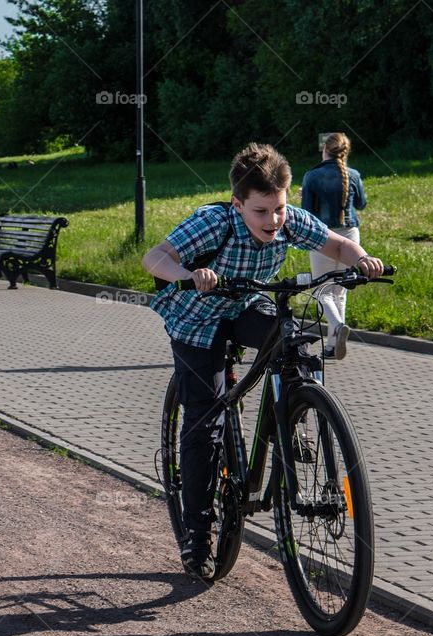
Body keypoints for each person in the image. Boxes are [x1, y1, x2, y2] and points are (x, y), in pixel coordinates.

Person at [142, 142, 384, 580]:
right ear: (238, 204)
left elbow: (334, 244)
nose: (273, 221)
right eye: (261, 212)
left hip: (245, 305)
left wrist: (362, 259)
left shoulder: (287, 221)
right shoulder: (213, 223)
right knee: (206, 418)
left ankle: (294, 410)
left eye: (278, 208)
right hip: (197, 320)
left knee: (288, 335)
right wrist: (189, 276)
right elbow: (154, 259)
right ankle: (198, 532)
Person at [300, 133, 367, 359]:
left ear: (325, 150)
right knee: (340, 291)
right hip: (351, 234)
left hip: (323, 235)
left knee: (322, 290)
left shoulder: (312, 175)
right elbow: (361, 203)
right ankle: (331, 346)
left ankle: (337, 327)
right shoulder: (354, 174)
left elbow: (307, 214)